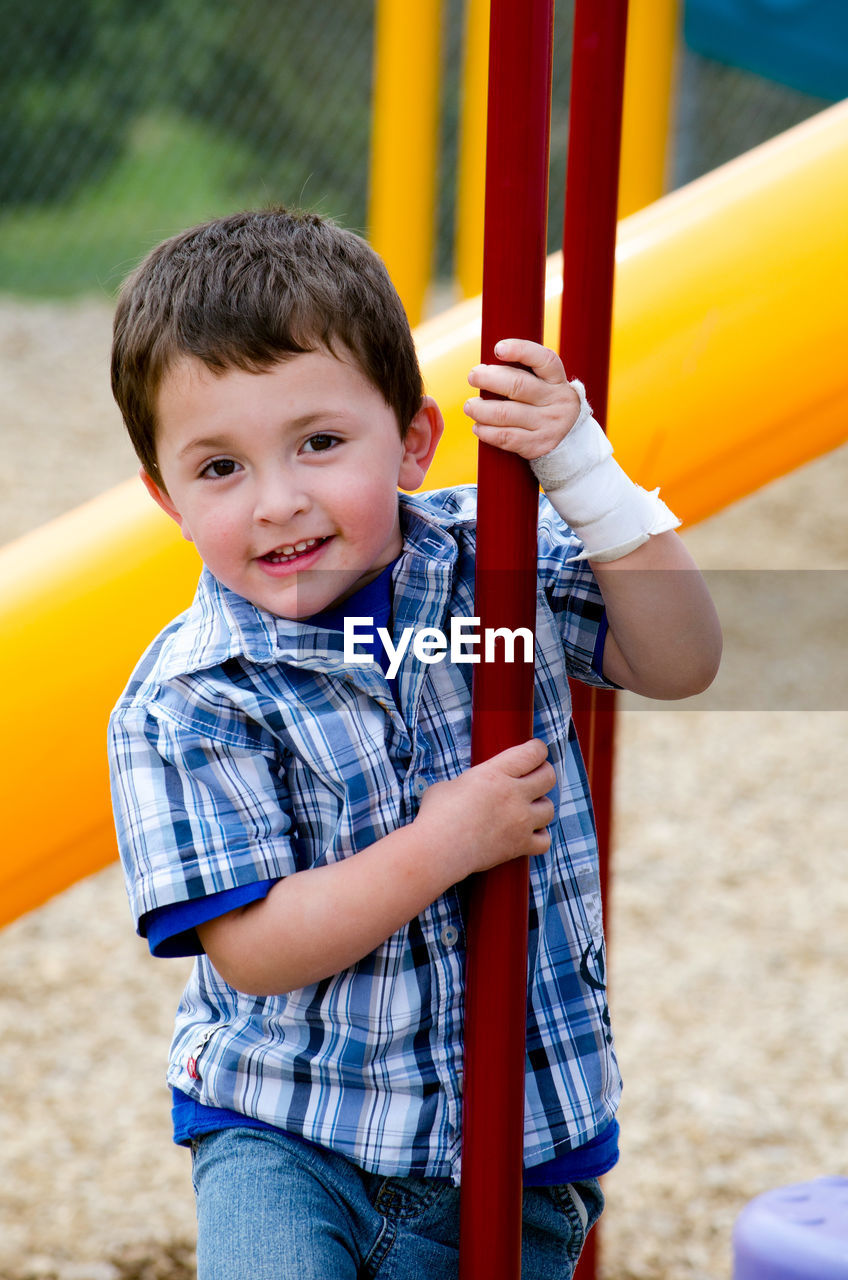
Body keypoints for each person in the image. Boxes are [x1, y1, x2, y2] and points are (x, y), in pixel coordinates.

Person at [108, 207, 721, 1280]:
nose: (279, 500)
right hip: (286, 1133)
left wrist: (580, 467)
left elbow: (678, 656)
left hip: (519, 1135)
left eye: (320, 442)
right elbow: (251, 949)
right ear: (164, 498)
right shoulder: (189, 696)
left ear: (414, 440)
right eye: (219, 469)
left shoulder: (491, 567)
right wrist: (444, 842)